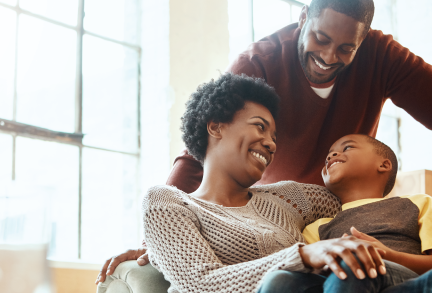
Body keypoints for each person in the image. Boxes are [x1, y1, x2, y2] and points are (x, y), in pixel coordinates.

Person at [97, 0, 432, 282]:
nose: (330, 56)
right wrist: (159, 238)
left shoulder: (382, 56)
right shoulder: (259, 63)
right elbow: (199, 155)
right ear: (303, 19)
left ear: (363, 40)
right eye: (320, 38)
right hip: (291, 225)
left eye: (346, 48)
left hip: (326, 208)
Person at [104, 73, 391, 292]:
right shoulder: (167, 201)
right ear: (216, 126)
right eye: (260, 127)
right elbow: (201, 285)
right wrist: (304, 254)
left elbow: (360, 198)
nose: (270, 144)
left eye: (274, 137)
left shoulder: (290, 196)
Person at [258, 134, 432, 292]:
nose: (330, 156)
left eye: (347, 147)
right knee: (279, 279)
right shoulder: (317, 227)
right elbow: (314, 270)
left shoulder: (417, 203)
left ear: (384, 165)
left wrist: (391, 256)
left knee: (356, 262)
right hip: (340, 283)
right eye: (329, 154)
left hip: (407, 281)